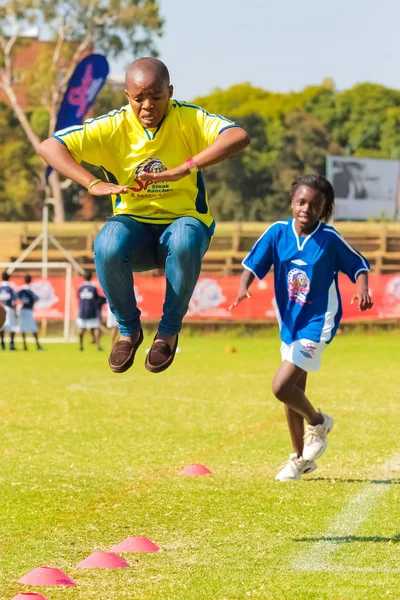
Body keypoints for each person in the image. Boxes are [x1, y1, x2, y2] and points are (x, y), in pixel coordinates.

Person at [38, 57, 250, 374]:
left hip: (182, 225)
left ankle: (167, 332)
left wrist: (183, 168)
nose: (147, 105)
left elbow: (238, 136)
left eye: (156, 96)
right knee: (107, 243)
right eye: (139, 98)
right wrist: (91, 182)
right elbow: (49, 146)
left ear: (170, 92)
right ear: (127, 96)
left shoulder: (188, 118)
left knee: (184, 237)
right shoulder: (113, 126)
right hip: (134, 229)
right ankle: (128, 331)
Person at [230, 174, 373, 481]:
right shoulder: (277, 232)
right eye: (301, 202)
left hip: (319, 322)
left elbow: (358, 264)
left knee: (281, 386)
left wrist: (362, 288)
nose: (307, 209)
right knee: (293, 391)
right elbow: (252, 264)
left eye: (316, 205)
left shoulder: (329, 238)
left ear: (324, 209)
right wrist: (243, 287)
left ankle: (318, 422)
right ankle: (299, 459)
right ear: (292, 201)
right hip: (289, 324)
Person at [76, 271, 105, 352]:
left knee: (81, 329)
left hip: (82, 312)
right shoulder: (93, 287)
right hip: (92, 311)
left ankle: (81, 346)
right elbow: (97, 298)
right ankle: (98, 346)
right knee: (96, 328)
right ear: (91, 277)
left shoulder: (80, 287)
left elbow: (78, 297)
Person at [17, 275, 43, 351]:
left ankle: (25, 346)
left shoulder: (21, 289)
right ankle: (38, 345)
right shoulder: (31, 289)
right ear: (30, 280)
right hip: (28, 310)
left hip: (22, 310)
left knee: (23, 328)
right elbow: (37, 298)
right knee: (33, 328)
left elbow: (15, 298)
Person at [0, 272, 17, 350]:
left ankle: (2, 344)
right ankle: (12, 344)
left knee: (1, 327)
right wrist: (15, 312)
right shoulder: (11, 287)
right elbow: (14, 301)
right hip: (9, 308)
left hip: (1, 309)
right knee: (12, 327)